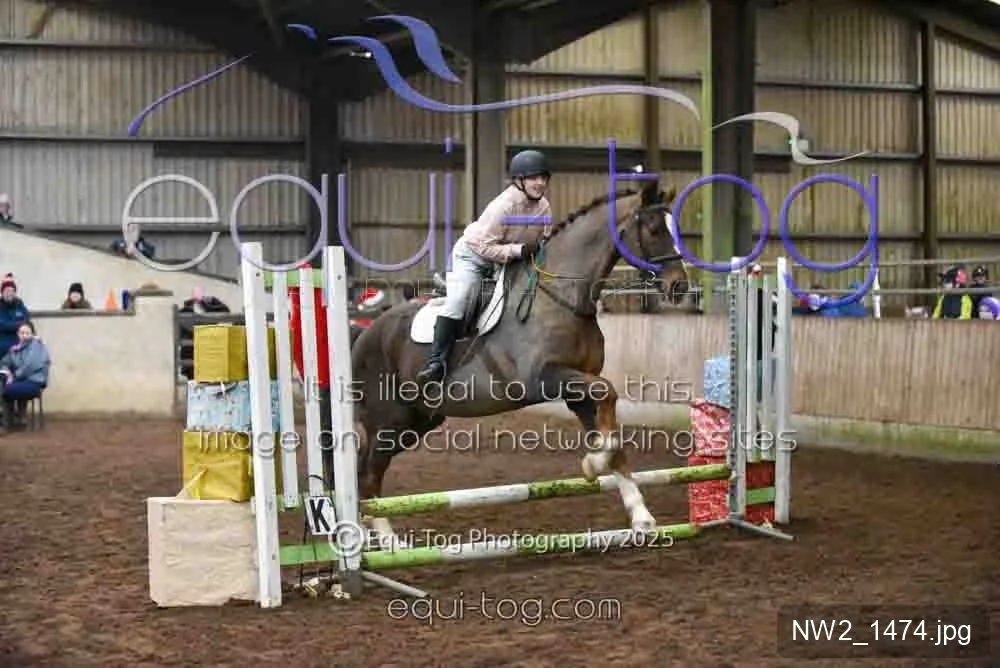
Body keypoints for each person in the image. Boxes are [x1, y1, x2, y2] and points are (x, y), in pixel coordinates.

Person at [415, 150, 553, 385]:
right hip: (474, 257)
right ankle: (436, 363)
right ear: (519, 180)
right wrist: (518, 251)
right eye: (533, 178)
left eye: (543, 177)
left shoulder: (544, 207)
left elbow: (545, 240)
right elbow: (484, 247)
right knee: (459, 301)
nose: (540, 183)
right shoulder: (503, 206)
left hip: (509, 261)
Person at [0, 321, 50, 427]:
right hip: (21, 380)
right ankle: (12, 419)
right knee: (4, 385)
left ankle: (8, 422)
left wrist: (13, 376)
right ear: (17, 334)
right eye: (22, 333)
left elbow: (30, 366)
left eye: (27, 333)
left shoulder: (37, 345)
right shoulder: (15, 349)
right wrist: (7, 371)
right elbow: (4, 362)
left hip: (35, 381)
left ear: (33, 334)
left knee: (6, 388)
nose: (24, 336)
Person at [0, 274, 29, 354]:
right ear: (2, 293)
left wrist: (15, 325)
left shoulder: (20, 305)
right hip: (3, 346)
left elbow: (27, 321)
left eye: (12, 291)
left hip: (20, 345)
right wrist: (20, 325)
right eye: (7, 291)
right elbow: (3, 326)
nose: (9, 293)